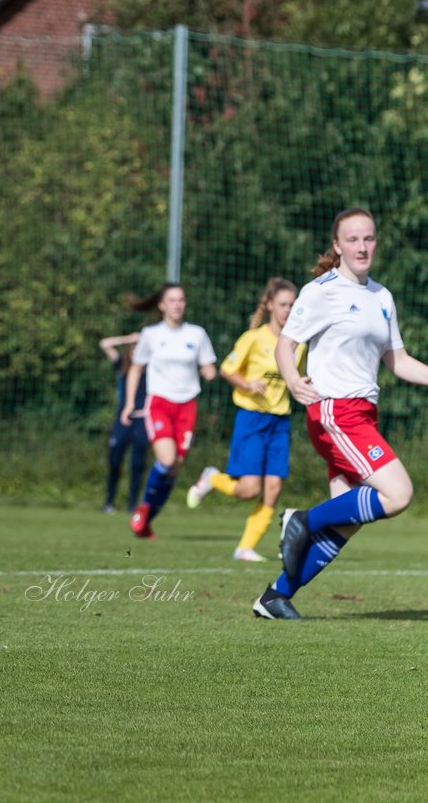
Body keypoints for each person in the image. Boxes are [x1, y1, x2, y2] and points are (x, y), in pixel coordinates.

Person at [255, 208, 428, 620]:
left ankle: (275, 597)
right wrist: (292, 378)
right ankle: (302, 519)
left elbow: (398, 362)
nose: (362, 246)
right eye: (352, 239)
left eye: (368, 238)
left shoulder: (382, 297)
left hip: (364, 414)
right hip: (334, 411)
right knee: (398, 494)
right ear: (337, 246)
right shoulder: (320, 291)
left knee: (347, 520)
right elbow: (286, 344)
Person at [185, 278, 302, 562]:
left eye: (293, 305)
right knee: (250, 490)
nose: (288, 310)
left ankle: (245, 548)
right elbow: (227, 369)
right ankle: (213, 479)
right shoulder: (255, 338)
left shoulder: (300, 343)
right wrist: (248, 384)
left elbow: (297, 376)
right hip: (252, 419)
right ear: (270, 305)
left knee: (273, 489)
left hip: (280, 421)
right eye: (284, 304)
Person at [122, 283, 217, 539]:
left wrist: (209, 371)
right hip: (160, 403)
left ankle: (146, 521)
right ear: (162, 305)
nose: (177, 304)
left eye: (181, 300)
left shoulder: (196, 334)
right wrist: (131, 403)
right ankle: (142, 508)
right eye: (172, 300)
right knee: (166, 460)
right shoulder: (151, 334)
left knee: (174, 468)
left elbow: (208, 364)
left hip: (187, 405)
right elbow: (136, 368)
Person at [99, 332, 148, 514]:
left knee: (137, 463)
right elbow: (104, 343)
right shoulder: (122, 367)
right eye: (134, 349)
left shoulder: (152, 371)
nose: (136, 353)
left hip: (142, 420)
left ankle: (133, 505)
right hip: (122, 420)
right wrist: (129, 339)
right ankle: (109, 502)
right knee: (114, 461)